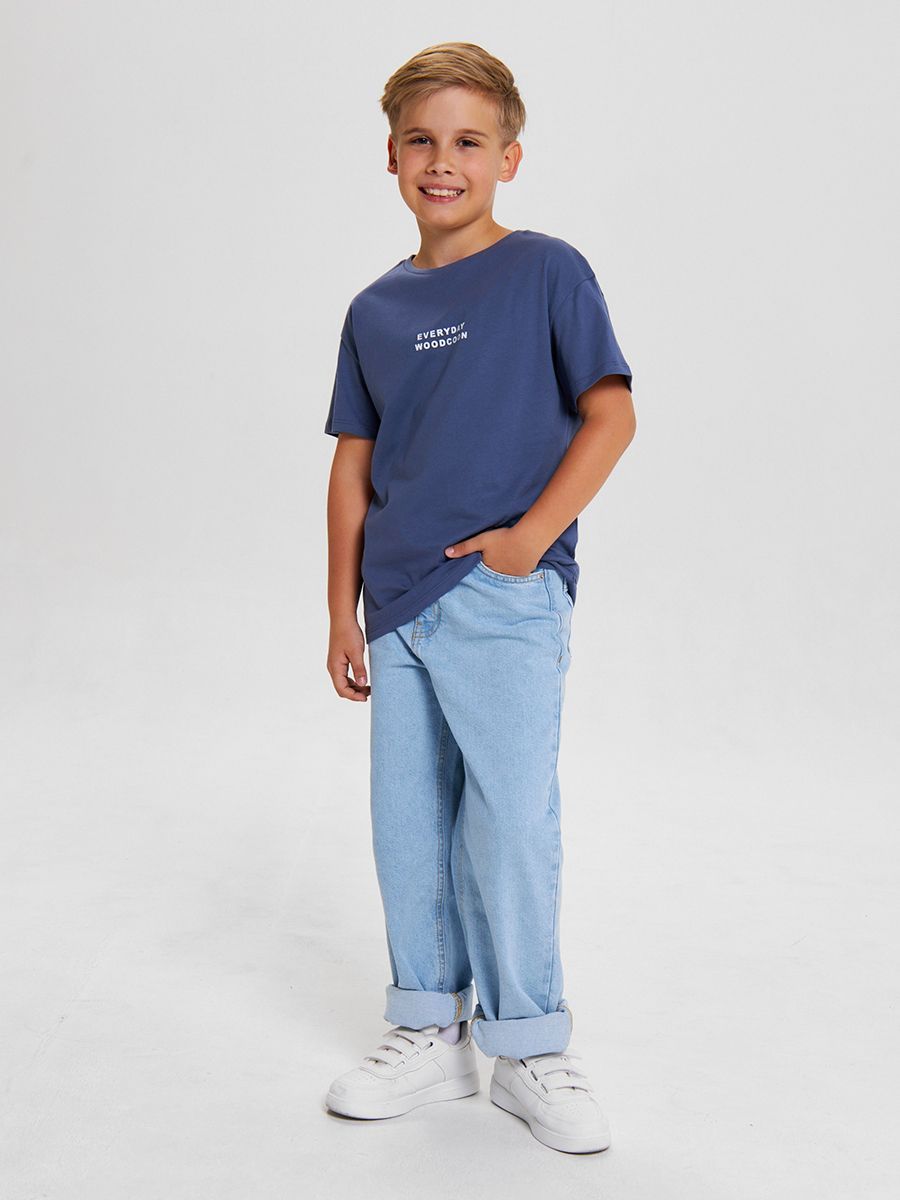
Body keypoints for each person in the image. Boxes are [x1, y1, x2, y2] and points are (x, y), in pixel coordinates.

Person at [322, 41, 636, 1155]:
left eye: (467, 141)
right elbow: (353, 466)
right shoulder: (374, 308)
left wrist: (527, 544)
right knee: (408, 821)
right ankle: (428, 1028)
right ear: (391, 156)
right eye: (420, 140)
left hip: (504, 595)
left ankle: (530, 1044)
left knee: (508, 819)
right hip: (398, 603)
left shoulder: (547, 271)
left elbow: (611, 414)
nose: (441, 161)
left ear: (509, 157)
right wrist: (341, 610)